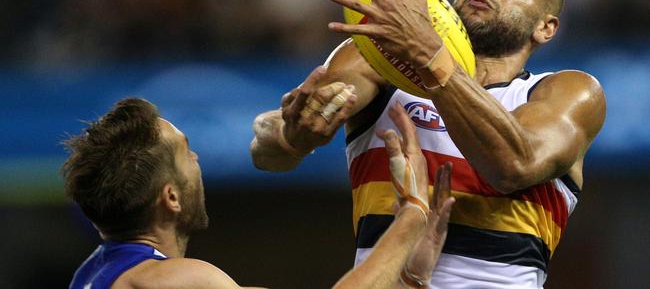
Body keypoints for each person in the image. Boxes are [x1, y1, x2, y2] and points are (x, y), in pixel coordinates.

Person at [251, 0, 606, 288]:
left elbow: (515, 164)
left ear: (546, 28)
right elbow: (266, 147)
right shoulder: (384, 61)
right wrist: (293, 137)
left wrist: (432, 59)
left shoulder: (569, 92)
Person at [62, 97, 454, 289]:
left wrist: (412, 277)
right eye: (187, 152)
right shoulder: (173, 279)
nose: (197, 157)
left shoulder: (93, 273)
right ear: (171, 198)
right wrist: (412, 214)